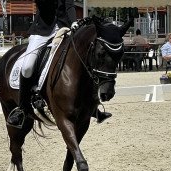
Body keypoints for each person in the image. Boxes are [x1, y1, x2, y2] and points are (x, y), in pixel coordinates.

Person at [7, 0, 111, 128]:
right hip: (42, 31)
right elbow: (42, 5)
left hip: (64, 28)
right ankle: (22, 109)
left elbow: (69, 5)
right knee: (28, 66)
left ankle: (93, 105)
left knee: (83, 57)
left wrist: (73, 21)